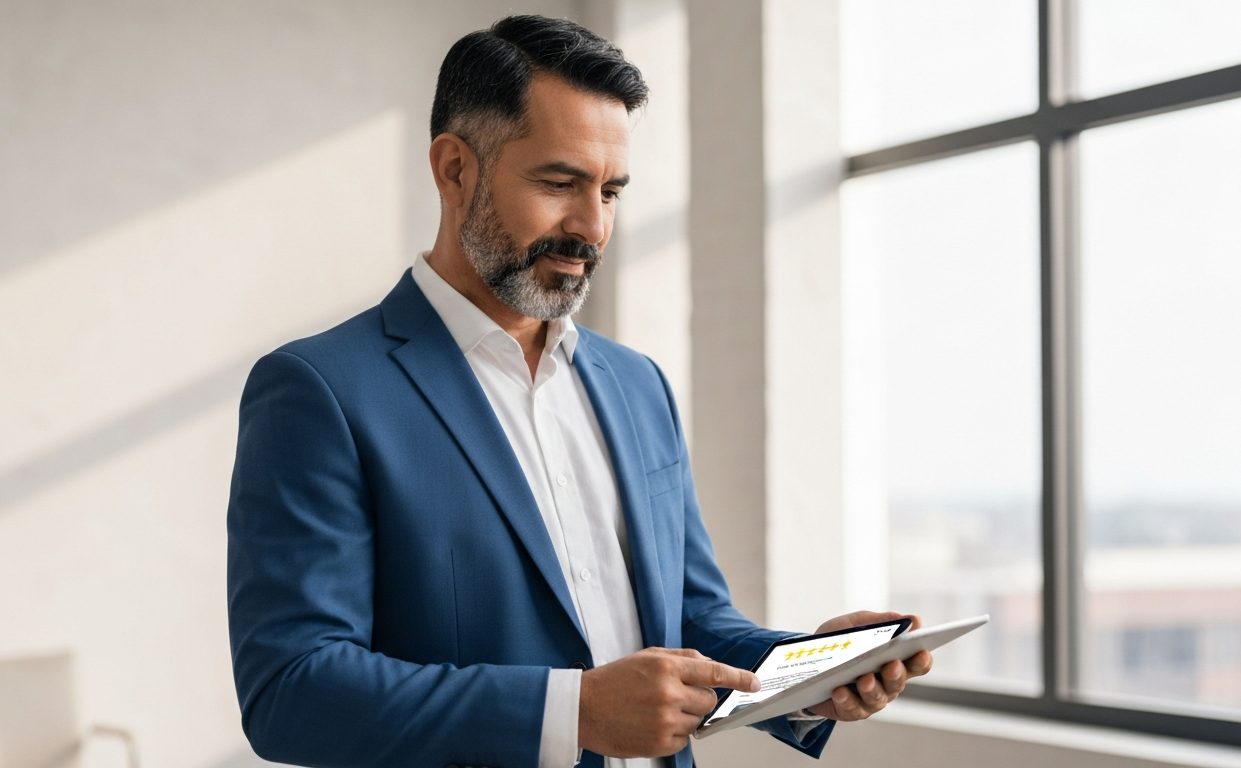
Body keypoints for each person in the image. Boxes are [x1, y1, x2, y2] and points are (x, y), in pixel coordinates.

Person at [226, 15, 932, 768]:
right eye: (560, 183)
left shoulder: (637, 385)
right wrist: (575, 711)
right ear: (454, 169)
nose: (591, 226)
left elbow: (689, 619)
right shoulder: (321, 391)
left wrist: (806, 672)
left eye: (612, 191)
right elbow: (291, 691)